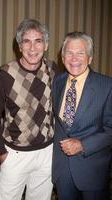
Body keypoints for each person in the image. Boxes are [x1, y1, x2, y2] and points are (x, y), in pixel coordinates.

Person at [0, 19, 57, 200]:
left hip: (46, 153)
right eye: (26, 41)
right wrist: (1, 152)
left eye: (38, 41)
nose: (32, 48)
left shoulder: (53, 69)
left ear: (46, 45)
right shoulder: (4, 74)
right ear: (19, 46)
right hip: (15, 154)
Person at [52, 31, 112, 200]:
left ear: (90, 58)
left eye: (80, 53)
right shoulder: (57, 82)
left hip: (92, 170)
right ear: (62, 58)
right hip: (62, 169)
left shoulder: (107, 86)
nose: (74, 59)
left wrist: (83, 145)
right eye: (69, 53)